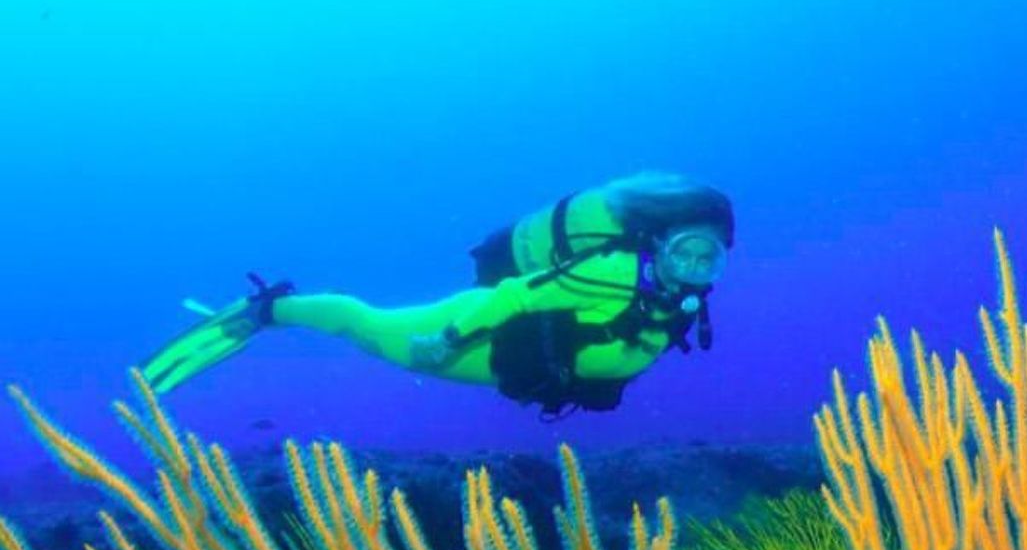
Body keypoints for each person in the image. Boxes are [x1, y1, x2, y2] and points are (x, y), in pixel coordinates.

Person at [141, 171, 733, 418]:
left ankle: (278, 309)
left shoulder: (679, 297)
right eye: (685, 250)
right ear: (658, 243)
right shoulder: (613, 271)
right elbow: (513, 296)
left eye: (709, 256)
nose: (695, 267)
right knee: (366, 327)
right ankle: (266, 308)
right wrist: (444, 342)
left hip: (512, 361)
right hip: (471, 339)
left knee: (369, 327)